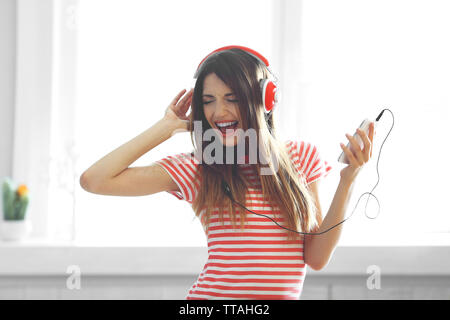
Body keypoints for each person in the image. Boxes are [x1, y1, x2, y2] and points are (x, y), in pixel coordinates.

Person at [80, 46, 375, 300]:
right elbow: (94, 180)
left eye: (231, 98)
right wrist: (165, 128)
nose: (218, 112)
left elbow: (316, 257)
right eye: (208, 101)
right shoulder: (198, 167)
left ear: (265, 99)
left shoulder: (301, 158)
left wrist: (348, 180)